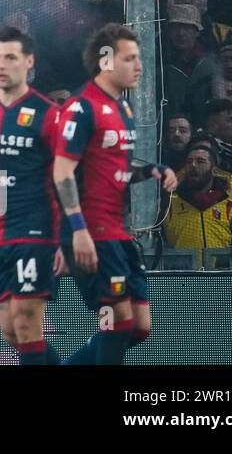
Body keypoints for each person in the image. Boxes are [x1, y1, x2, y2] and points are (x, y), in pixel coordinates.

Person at [54, 24, 177, 365]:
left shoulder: (123, 110)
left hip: (118, 234)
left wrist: (151, 170)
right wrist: (77, 230)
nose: (139, 66)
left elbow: (117, 172)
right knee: (116, 319)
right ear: (106, 60)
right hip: (91, 233)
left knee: (139, 326)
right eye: (130, 58)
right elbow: (61, 171)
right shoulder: (81, 108)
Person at [0, 26, 65, 365]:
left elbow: (66, 176)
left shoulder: (47, 113)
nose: (1, 65)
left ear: (29, 62)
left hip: (36, 230)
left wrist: (66, 237)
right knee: (10, 331)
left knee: (27, 324)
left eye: (11, 57)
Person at [162, 141, 232, 252]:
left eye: (200, 161)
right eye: (189, 162)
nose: (193, 165)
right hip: (183, 268)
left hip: (220, 269)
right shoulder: (170, 204)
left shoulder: (229, 206)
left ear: (214, 170)